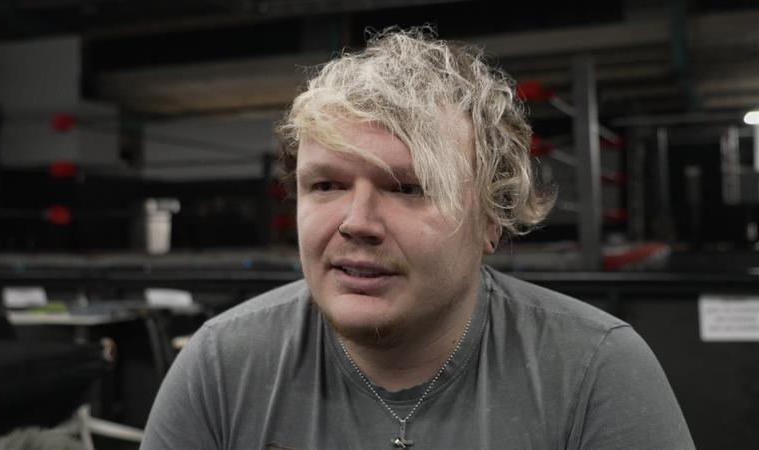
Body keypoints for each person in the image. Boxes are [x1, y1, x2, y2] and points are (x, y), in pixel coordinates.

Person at [142, 28, 694, 449]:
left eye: (408, 188)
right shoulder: (221, 367)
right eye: (327, 184)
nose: (356, 221)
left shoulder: (594, 369)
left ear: (490, 218)